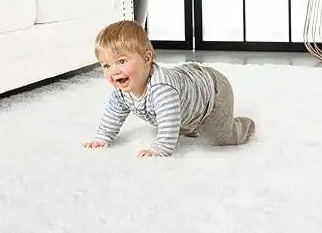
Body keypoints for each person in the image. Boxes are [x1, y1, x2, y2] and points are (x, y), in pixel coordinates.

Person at [83, 20, 255, 157]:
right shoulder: (122, 91)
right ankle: (193, 121)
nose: (114, 71)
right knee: (181, 121)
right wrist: (102, 137)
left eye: (121, 61)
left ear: (146, 58)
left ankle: (244, 126)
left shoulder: (162, 90)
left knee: (217, 137)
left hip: (213, 90)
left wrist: (160, 149)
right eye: (106, 66)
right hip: (186, 84)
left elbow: (168, 124)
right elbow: (113, 114)